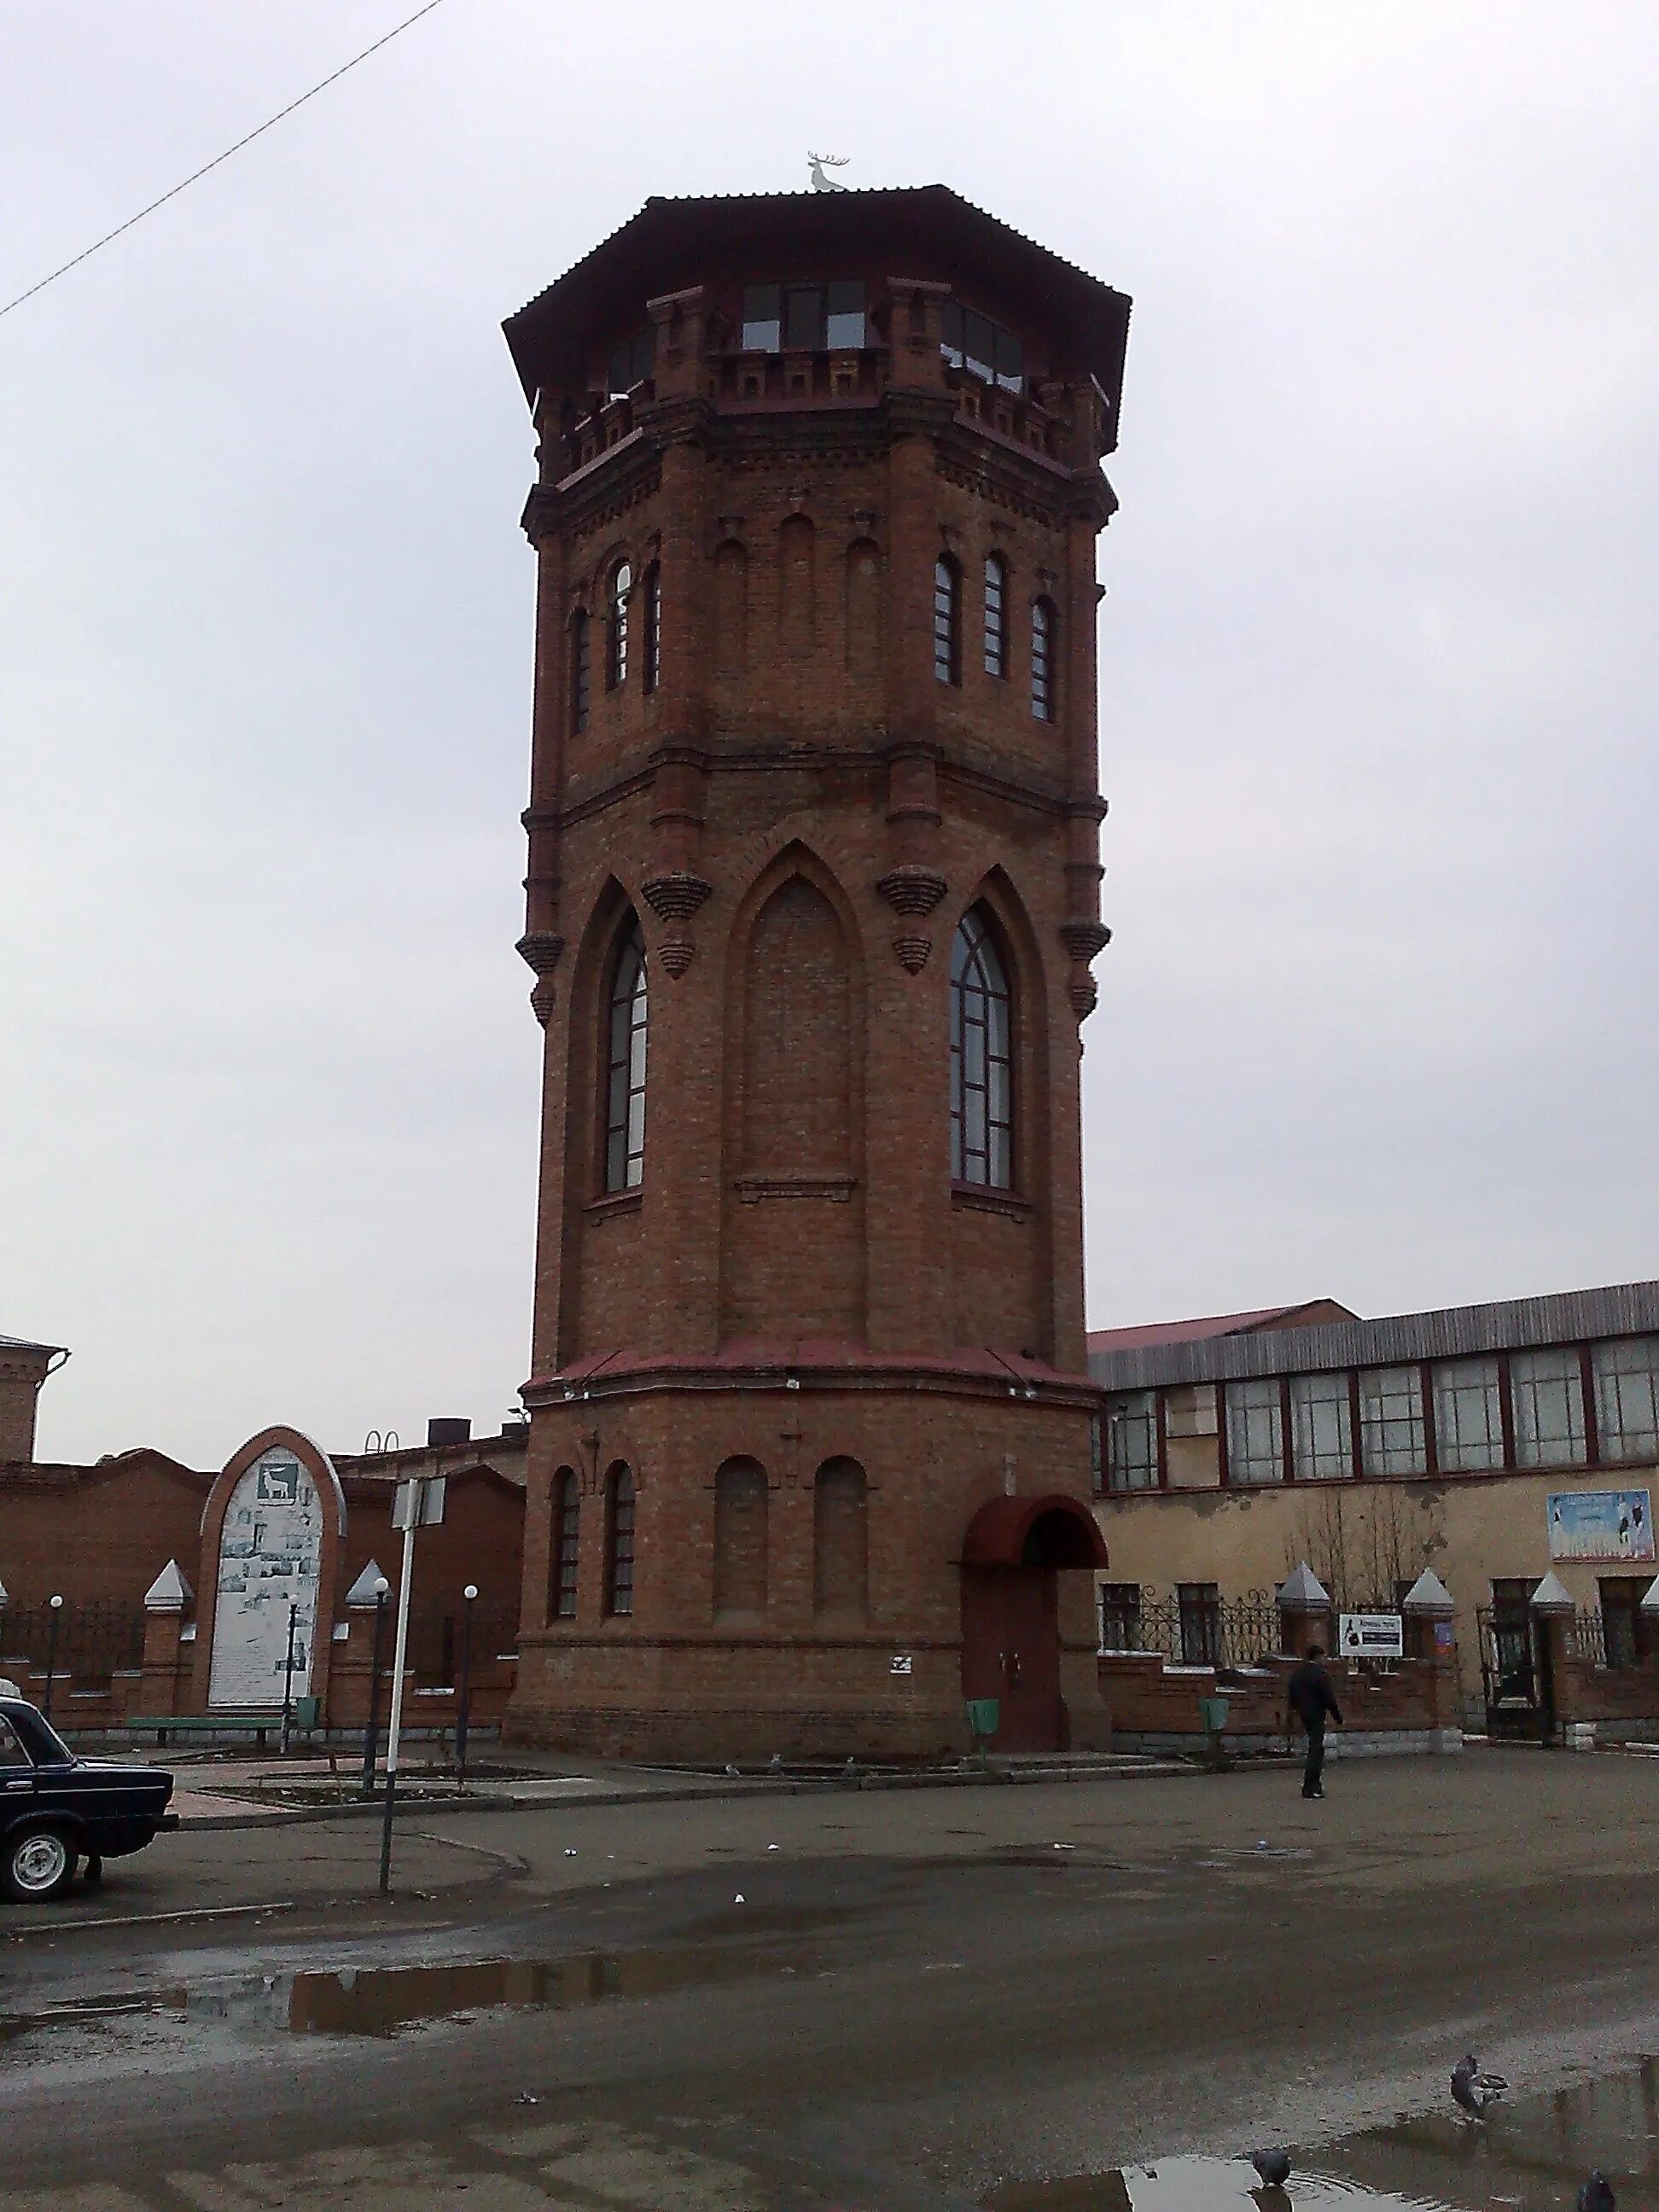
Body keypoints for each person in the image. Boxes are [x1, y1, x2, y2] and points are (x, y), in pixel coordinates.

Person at [1287, 1644, 1343, 1799]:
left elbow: (1292, 1694)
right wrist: (1338, 1716)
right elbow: (1328, 1698)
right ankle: (1312, 1786)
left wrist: (1293, 1712)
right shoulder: (1320, 1674)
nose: (1325, 1659)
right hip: (1317, 1715)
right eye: (1323, 1656)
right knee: (1316, 1750)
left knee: (1314, 1747)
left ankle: (1310, 1785)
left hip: (1303, 1714)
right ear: (1318, 1656)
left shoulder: (1298, 1674)